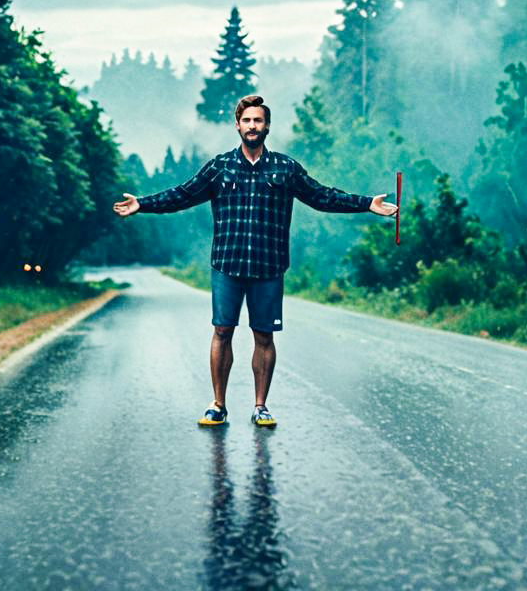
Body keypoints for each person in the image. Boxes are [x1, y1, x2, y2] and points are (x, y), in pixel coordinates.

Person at [113, 94, 397, 427]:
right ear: (238, 125)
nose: (252, 126)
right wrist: (142, 204)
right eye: (247, 121)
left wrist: (366, 204)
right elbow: (183, 194)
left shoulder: (285, 168)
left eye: (258, 121)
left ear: (267, 126)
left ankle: (260, 406)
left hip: (269, 266)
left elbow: (322, 196)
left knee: (264, 336)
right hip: (227, 264)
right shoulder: (220, 167)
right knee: (222, 331)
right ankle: (218, 404)